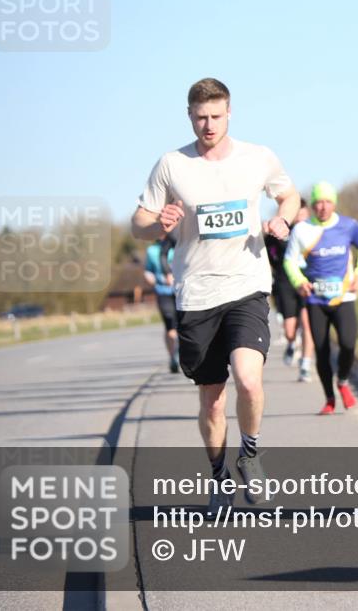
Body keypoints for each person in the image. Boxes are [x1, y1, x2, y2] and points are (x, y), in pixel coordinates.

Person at [132, 77, 300, 511]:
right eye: (201, 117)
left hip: (247, 285)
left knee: (248, 378)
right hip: (196, 294)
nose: (208, 125)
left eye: (216, 116)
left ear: (230, 113)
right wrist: (158, 225)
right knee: (212, 400)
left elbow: (289, 194)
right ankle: (219, 476)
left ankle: (250, 455)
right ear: (189, 116)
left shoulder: (257, 157)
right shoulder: (172, 164)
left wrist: (282, 218)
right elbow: (139, 223)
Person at [284, 182, 358, 415]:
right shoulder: (301, 230)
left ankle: (342, 381)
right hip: (315, 300)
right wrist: (298, 281)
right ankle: (329, 398)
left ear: (334, 203)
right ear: (312, 205)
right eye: (318, 203)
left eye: (327, 202)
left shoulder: (348, 225)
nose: (322, 207)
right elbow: (289, 261)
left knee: (348, 344)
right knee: (321, 351)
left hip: (344, 297)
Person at [264, 198, 315, 381]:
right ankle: (292, 343)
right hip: (286, 282)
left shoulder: (314, 231)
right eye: (297, 214)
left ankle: (305, 365)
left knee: (308, 324)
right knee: (290, 329)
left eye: (303, 213)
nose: (300, 217)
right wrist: (276, 268)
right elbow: (269, 253)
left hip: (308, 281)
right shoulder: (280, 233)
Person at [143, 234, 180, 372]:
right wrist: (154, 281)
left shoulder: (180, 244)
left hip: (182, 291)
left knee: (183, 326)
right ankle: (173, 358)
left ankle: (182, 352)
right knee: (170, 325)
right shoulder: (152, 250)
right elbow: (148, 271)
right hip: (163, 291)